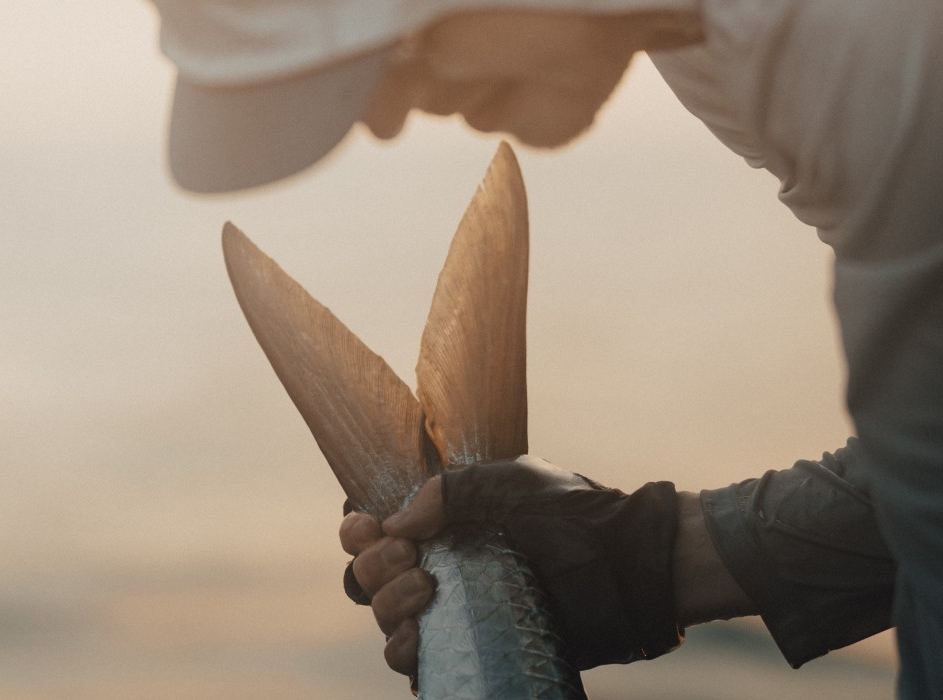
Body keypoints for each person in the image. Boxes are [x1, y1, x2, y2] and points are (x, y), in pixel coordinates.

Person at [150, 1, 943, 696]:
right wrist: (645, 559)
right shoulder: (713, 47)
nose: (382, 118)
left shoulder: (864, 49)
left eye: (396, 47)